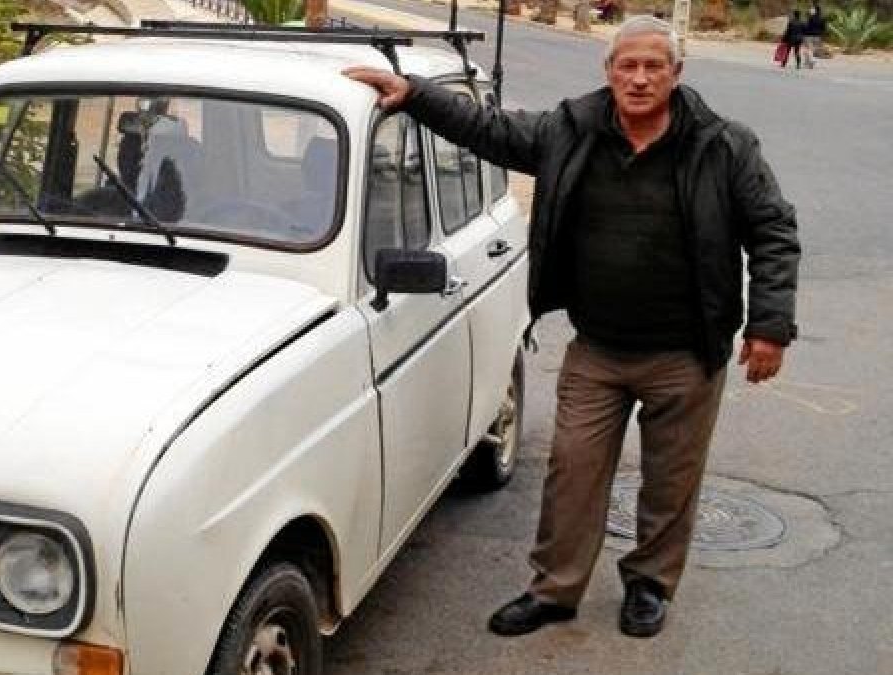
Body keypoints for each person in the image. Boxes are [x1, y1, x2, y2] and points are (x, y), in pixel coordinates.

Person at [344, 15, 799, 638]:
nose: (639, 78)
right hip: (598, 349)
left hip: (687, 353)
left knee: (671, 480)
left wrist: (770, 325)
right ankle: (555, 589)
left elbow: (774, 231)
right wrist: (417, 95)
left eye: (653, 66)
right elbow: (492, 130)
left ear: (677, 73)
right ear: (609, 71)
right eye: (627, 65)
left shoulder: (723, 146)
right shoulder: (572, 129)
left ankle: (649, 585)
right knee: (572, 472)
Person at [802, 1, 826, 68]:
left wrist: (803, 32)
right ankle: (809, 62)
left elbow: (808, 26)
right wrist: (821, 35)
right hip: (817, 36)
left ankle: (809, 61)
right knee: (814, 49)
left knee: (807, 49)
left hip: (809, 35)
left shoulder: (811, 18)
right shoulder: (822, 19)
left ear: (815, 11)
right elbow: (823, 29)